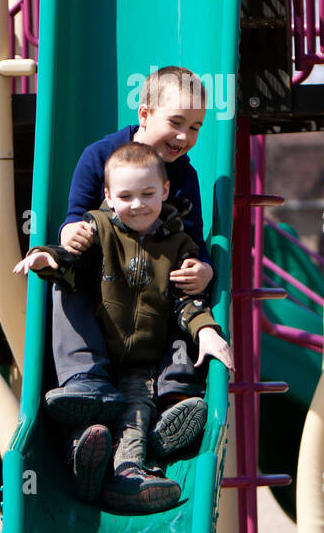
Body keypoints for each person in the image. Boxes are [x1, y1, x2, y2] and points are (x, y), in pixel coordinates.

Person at [17, 142, 233, 512]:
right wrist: (44, 257)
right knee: (89, 415)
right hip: (96, 360)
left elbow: (187, 302)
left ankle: (127, 474)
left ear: (165, 191)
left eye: (148, 194)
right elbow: (70, 262)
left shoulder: (179, 246)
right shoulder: (97, 229)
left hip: (140, 364)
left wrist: (207, 330)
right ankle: (83, 459)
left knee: (134, 411)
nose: (137, 204)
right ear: (108, 196)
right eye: (126, 196)